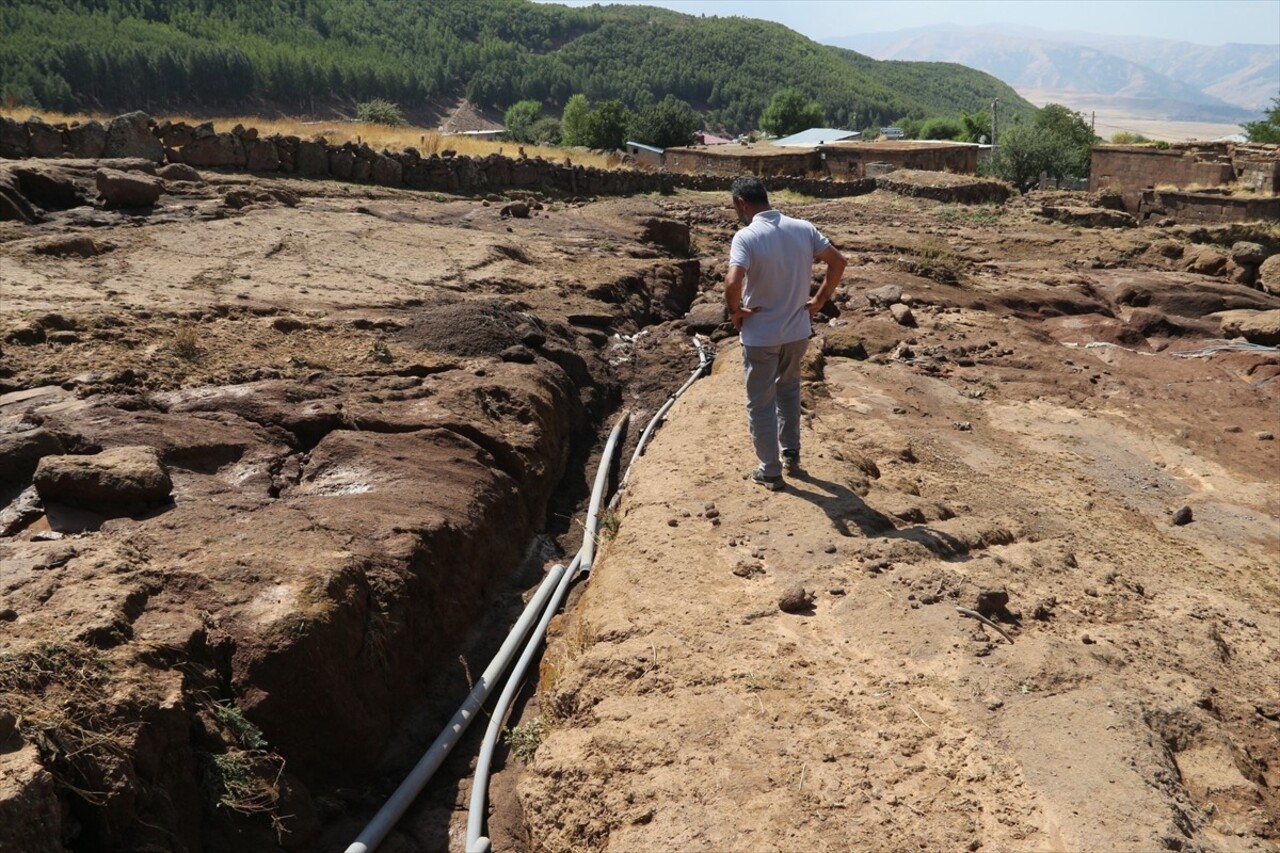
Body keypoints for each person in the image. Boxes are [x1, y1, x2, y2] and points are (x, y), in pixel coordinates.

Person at [725, 176, 847, 491]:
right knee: (789, 390)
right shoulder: (802, 228)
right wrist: (820, 300)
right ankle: (791, 453)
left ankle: (770, 470)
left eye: (736, 208)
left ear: (742, 204)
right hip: (796, 331)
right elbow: (838, 262)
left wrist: (735, 311)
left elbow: (732, 281)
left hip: (760, 335)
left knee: (760, 402)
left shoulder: (746, 236)